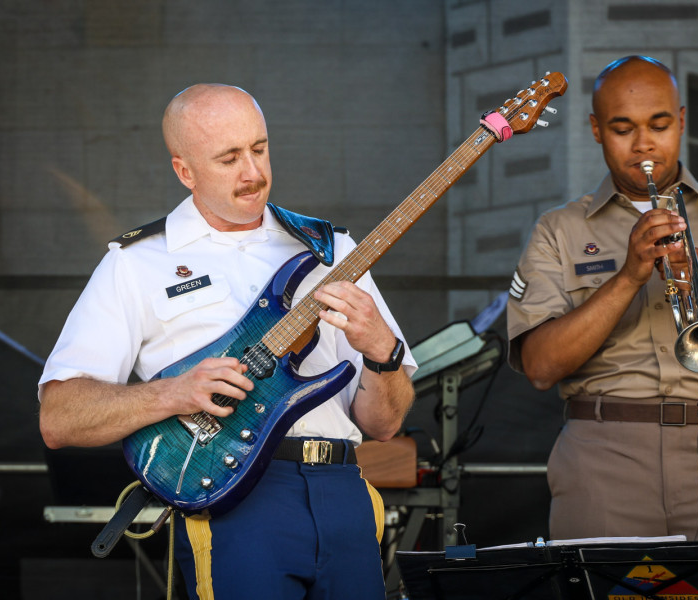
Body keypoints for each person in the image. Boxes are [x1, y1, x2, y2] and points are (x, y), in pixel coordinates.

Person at [38, 83, 417, 599]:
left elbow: (385, 424)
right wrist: (172, 393)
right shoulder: (136, 262)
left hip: (344, 491)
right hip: (236, 500)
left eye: (259, 149)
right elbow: (59, 417)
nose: (253, 172)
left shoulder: (333, 250)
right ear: (185, 171)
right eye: (229, 158)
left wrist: (382, 352)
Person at [506, 56, 698, 600]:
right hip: (602, 455)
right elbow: (540, 368)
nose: (643, 144)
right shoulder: (559, 229)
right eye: (622, 128)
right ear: (596, 129)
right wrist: (629, 276)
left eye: (660, 125)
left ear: (682, 121)